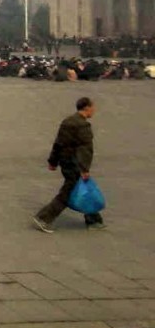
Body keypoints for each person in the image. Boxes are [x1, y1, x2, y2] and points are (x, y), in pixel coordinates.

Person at [34, 97, 104, 233]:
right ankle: (43, 217)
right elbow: (85, 149)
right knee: (69, 192)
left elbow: (58, 143)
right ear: (87, 108)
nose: (94, 110)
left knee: (82, 189)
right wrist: (84, 169)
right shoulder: (83, 126)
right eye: (93, 108)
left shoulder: (67, 122)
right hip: (75, 164)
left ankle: (94, 219)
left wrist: (52, 161)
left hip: (65, 162)